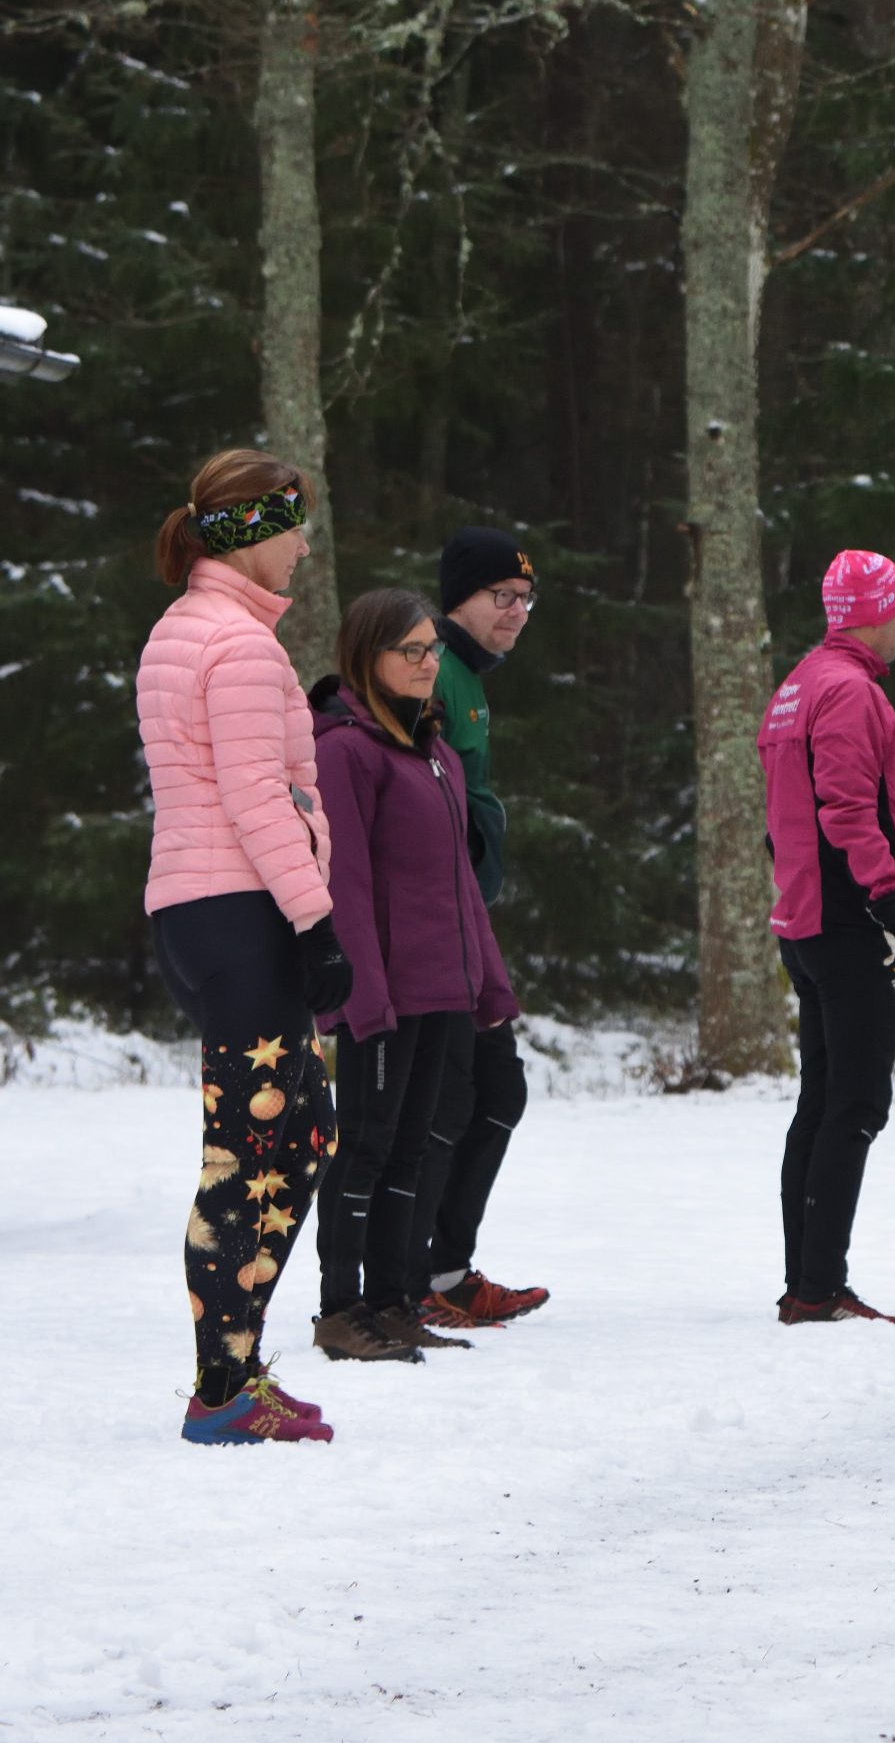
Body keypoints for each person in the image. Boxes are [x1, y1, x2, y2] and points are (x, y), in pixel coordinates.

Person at [141, 451, 349, 1443]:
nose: (305, 545)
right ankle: (222, 1390)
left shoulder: (188, 627)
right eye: (295, 525)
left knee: (302, 1133)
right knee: (246, 1155)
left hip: (206, 913)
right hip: (242, 913)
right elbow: (258, 795)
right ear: (254, 531)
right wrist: (317, 919)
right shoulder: (238, 645)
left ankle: (236, 1368)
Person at [309, 589, 520, 1365]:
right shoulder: (345, 752)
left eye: (433, 649)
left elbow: (461, 886)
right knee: (364, 1146)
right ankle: (341, 1309)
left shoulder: (436, 755)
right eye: (412, 650)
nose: (430, 663)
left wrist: (488, 982)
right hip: (383, 994)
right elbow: (345, 885)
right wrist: (362, 992)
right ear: (368, 658)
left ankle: (393, 1300)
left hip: (441, 989)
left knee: (411, 1148)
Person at [760, 550, 895, 1327]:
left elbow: (787, 816)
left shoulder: (797, 685)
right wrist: (891, 910)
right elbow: (849, 810)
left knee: (822, 1100)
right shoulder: (851, 692)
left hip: (804, 918)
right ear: (874, 614)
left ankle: (808, 1279)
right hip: (847, 919)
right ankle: (820, 1286)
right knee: (854, 1103)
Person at [412, 527, 550, 1330]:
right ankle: (409, 1276)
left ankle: (446, 1270)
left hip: (468, 922)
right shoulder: (432, 669)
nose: (517, 612)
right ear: (458, 597)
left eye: (527, 599)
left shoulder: (468, 679)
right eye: (503, 596)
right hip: (435, 929)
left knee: (496, 1091)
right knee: (454, 1098)